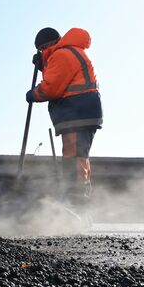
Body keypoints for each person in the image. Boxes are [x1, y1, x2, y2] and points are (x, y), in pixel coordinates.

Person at [26, 27, 103, 211]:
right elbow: (60, 77)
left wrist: (33, 94)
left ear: (46, 45)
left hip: (77, 113)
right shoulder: (67, 52)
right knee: (78, 159)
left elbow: (51, 88)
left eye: (42, 50)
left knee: (74, 159)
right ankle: (79, 210)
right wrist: (43, 65)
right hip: (81, 113)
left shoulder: (61, 55)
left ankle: (76, 208)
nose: (43, 53)